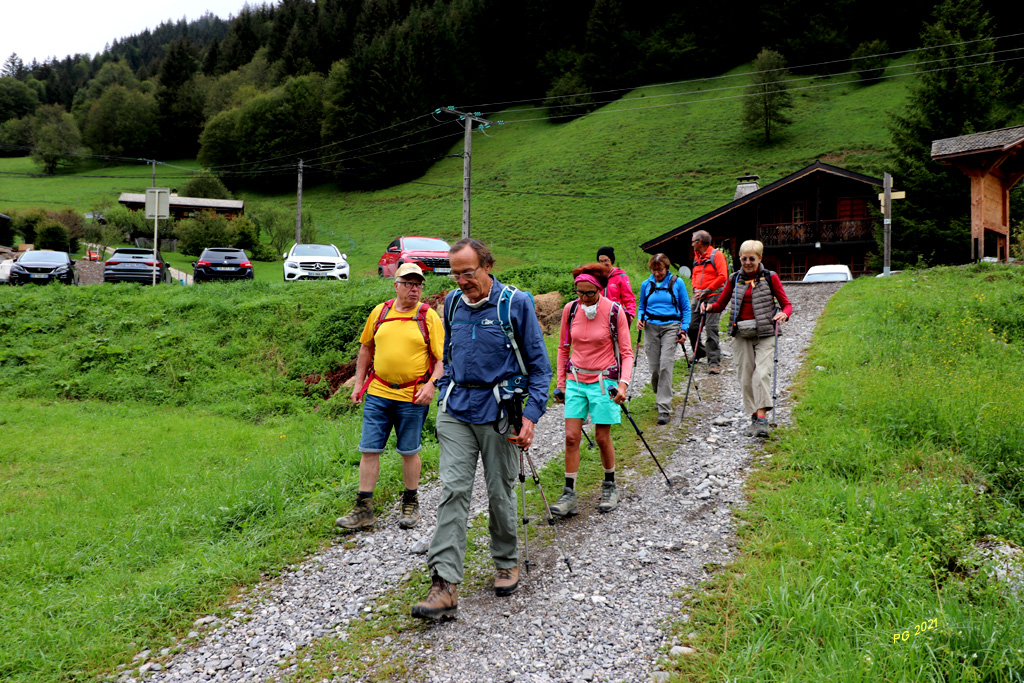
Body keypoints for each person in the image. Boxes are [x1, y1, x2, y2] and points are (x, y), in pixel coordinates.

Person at [411, 238, 551, 620]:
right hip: (456, 409)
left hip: (498, 413)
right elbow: (451, 355)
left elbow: (540, 368)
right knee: (453, 489)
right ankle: (444, 585)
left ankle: (506, 560)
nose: (461, 281)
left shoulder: (515, 303)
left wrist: (531, 416)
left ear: (487, 265)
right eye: (455, 274)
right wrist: (443, 386)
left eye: (468, 273)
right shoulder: (452, 303)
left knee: (498, 490)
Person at [336, 263, 445, 531]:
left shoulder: (427, 316)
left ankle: (410, 502)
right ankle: (364, 508)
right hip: (378, 393)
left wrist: (431, 385)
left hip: (412, 396)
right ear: (395, 285)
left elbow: (442, 360)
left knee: (409, 451)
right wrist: (358, 384)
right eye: (408, 283)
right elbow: (366, 349)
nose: (414, 288)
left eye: (418, 284)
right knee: (369, 449)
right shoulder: (380, 312)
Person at [550, 263, 634, 516]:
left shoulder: (614, 311)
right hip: (576, 380)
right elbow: (564, 348)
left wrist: (623, 384)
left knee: (601, 437)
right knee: (571, 437)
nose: (584, 299)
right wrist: (561, 383)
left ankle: (610, 486)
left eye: (589, 293)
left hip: (604, 381)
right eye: (579, 293)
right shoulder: (570, 309)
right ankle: (569, 495)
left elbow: (627, 353)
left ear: (600, 290)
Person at [702, 240, 792, 438]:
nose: (747, 262)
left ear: (760, 258)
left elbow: (786, 305)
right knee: (745, 378)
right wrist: (708, 307)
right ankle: (753, 415)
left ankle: (762, 420)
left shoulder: (770, 278)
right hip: (741, 333)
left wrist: (784, 314)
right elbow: (721, 304)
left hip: (766, 332)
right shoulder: (734, 279)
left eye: (752, 258)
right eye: (744, 258)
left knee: (761, 374)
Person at [637, 253, 691, 425]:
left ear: (666, 268)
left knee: (665, 365)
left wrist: (684, 329)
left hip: (671, 327)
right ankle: (660, 393)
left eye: (659, 270)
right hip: (651, 327)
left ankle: (664, 408)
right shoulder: (646, 284)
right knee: (654, 368)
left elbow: (686, 308)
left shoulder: (677, 283)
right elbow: (642, 306)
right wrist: (640, 318)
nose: (657, 273)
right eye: (654, 270)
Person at [687, 230, 729, 374]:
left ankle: (714, 362)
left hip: (714, 296)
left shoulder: (716, 255)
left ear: (700, 241)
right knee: (691, 326)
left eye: (693, 241)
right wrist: (695, 288)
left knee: (711, 328)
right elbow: (694, 275)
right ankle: (699, 352)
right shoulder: (697, 257)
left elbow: (723, 276)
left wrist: (706, 289)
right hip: (699, 296)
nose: (692, 244)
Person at [596, 246, 637, 323]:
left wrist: (630, 315)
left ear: (611, 260)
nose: (603, 264)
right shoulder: (596, 277)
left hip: (615, 316)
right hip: (598, 316)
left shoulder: (621, 277)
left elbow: (629, 298)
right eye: (600, 261)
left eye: (606, 260)